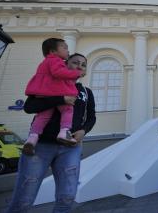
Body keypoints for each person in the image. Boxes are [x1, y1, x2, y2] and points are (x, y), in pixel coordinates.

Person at [6, 53, 96, 213]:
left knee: (67, 197)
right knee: (24, 200)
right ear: (64, 65)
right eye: (75, 62)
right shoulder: (48, 84)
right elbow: (29, 107)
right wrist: (61, 99)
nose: (79, 66)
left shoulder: (86, 92)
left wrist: (83, 130)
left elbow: (91, 117)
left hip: (70, 148)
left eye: (83, 64)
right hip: (40, 146)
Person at [23, 38, 85, 155]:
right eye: (65, 48)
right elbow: (59, 73)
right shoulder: (55, 61)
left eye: (83, 65)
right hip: (56, 92)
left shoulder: (45, 62)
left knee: (42, 116)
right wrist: (76, 74)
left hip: (44, 93)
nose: (67, 50)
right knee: (67, 110)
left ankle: (32, 138)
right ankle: (64, 132)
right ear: (52, 51)